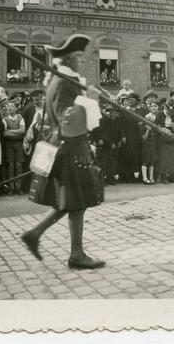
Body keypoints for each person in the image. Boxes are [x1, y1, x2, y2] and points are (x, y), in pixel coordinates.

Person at [21, 34, 105, 269]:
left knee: (73, 201)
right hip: (68, 148)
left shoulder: (66, 81)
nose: (82, 61)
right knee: (76, 202)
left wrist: (88, 100)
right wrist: (88, 100)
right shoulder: (60, 84)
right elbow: (66, 120)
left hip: (72, 147)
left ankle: (35, 234)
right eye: (79, 57)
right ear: (68, 60)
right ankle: (76, 255)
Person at [2, 101, 25, 195]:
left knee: (19, 166)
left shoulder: (20, 118)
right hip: (9, 145)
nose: (9, 108)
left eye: (12, 106)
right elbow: (4, 133)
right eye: (8, 106)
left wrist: (10, 131)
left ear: (16, 108)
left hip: (19, 144)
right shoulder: (5, 119)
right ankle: (11, 188)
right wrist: (17, 132)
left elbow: (23, 131)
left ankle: (19, 187)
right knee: (11, 166)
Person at [155, 100, 174, 184]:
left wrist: (173, 128)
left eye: (172, 111)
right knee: (164, 158)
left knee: (173, 157)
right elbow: (155, 126)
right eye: (169, 110)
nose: (171, 112)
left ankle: (172, 176)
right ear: (165, 108)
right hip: (162, 139)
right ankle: (164, 177)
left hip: (172, 138)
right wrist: (162, 130)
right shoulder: (159, 114)